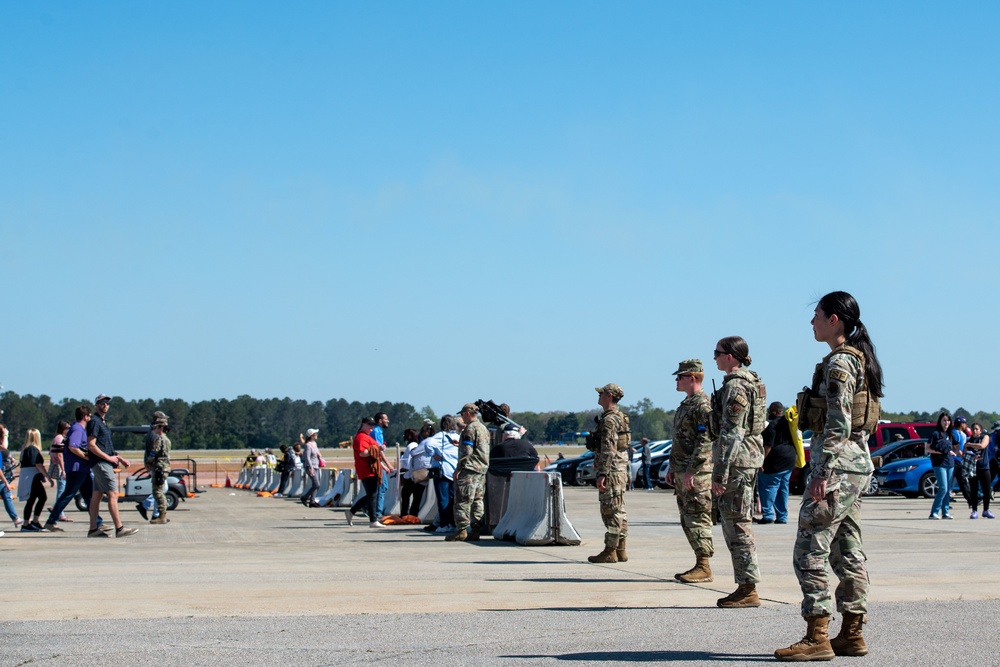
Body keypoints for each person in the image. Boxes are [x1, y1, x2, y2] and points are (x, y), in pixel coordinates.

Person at [775, 291, 884, 661]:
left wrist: (821, 472)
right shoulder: (860, 359)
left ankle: (817, 635)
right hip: (854, 465)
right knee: (847, 548)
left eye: (817, 315)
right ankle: (852, 633)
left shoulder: (839, 363)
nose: (812, 322)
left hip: (835, 468)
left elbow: (837, 421)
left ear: (835, 319)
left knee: (809, 549)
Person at [710, 336, 766, 608]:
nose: (715, 358)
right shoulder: (752, 379)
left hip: (738, 461)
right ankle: (745, 585)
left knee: (737, 524)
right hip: (746, 459)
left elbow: (733, 432)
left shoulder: (736, 385)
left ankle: (748, 587)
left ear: (730, 356)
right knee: (737, 522)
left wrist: (720, 472)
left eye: (717, 353)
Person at [667, 359, 715, 583]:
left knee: (697, 517)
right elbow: (679, 440)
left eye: (680, 376)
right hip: (682, 470)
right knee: (687, 518)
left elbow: (705, 441)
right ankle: (699, 563)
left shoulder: (702, 406)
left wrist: (691, 471)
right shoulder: (686, 405)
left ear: (693, 378)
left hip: (696, 474)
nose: (676, 380)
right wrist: (672, 467)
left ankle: (704, 566)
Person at [587, 384, 631, 563]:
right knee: (619, 509)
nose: (599, 396)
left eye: (602, 393)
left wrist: (602, 473)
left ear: (609, 396)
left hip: (611, 470)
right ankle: (621, 549)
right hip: (619, 468)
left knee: (610, 510)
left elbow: (608, 448)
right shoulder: (620, 417)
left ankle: (610, 551)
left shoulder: (610, 420)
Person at [44, 406, 103, 532]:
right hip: (77, 469)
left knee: (89, 497)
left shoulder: (79, 429)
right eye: (90, 416)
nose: (91, 418)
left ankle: (98, 521)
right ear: (85, 416)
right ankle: (51, 520)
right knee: (68, 494)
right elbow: (73, 446)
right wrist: (87, 458)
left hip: (83, 469)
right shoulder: (77, 429)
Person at [86, 394, 138, 538]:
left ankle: (93, 529)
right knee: (113, 493)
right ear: (96, 405)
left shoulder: (103, 422)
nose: (105, 405)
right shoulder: (95, 422)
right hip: (100, 463)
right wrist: (108, 458)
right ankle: (119, 528)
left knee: (97, 494)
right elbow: (91, 445)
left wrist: (119, 457)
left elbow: (106, 446)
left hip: (104, 462)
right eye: (102, 403)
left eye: (107, 403)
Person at [446, 403, 492, 542]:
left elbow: (467, 451)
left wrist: (459, 468)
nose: (461, 418)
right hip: (481, 469)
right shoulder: (483, 428)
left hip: (470, 469)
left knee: (462, 500)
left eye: (461, 414)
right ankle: (476, 529)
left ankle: (461, 530)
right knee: (478, 501)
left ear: (467, 413)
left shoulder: (469, 429)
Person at [757, 401, 797, 525]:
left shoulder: (772, 425)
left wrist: (761, 461)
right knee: (783, 488)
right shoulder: (789, 423)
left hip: (775, 461)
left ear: (773, 411)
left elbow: (768, 446)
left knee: (769, 487)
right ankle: (782, 516)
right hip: (789, 459)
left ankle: (768, 515)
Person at [345, 417, 389, 528]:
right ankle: (373, 520)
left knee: (371, 495)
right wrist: (376, 449)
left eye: (373, 426)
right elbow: (362, 453)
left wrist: (383, 466)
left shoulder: (366, 436)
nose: (371, 428)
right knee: (372, 495)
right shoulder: (361, 437)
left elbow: (375, 454)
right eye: (369, 425)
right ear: (363, 424)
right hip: (367, 470)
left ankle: (352, 512)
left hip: (371, 469)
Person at [424, 415, 460, 534]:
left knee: (442, 498)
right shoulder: (457, 436)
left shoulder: (440, 436)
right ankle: (453, 523)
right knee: (452, 498)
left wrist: (433, 454)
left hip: (442, 469)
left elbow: (428, 443)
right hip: (454, 469)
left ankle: (444, 524)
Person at [18, 429, 54, 531]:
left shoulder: (26, 449)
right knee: (40, 498)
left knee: (33, 500)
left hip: (29, 477)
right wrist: (48, 477)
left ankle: (31, 522)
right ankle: (30, 523)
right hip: (33, 478)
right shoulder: (33, 449)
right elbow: (38, 465)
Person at [927, 412, 956, 520]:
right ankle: (934, 512)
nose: (946, 422)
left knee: (948, 490)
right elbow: (927, 448)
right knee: (943, 488)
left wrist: (953, 452)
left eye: (948, 420)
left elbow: (955, 446)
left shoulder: (950, 434)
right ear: (940, 421)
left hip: (950, 463)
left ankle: (945, 512)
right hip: (939, 464)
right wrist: (937, 452)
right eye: (944, 420)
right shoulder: (935, 434)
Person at [144, 412, 172, 525]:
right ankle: (162, 514)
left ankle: (162, 515)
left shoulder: (159, 440)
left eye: (156, 427)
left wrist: (148, 462)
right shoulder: (167, 440)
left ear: (160, 428)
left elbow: (153, 453)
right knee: (160, 491)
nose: (154, 429)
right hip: (164, 467)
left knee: (158, 492)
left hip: (159, 468)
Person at [965, 423, 993, 519]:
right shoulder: (969, 440)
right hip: (973, 468)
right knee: (974, 490)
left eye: (977, 429)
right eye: (973, 429)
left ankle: (986, 510)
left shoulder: (985, 437)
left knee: (987, 490)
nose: (974, 431)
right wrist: (971, 454)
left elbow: (982, 446)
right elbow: (965, 452)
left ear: (980, 430)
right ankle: (974, 511)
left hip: (984, 467)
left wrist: (970, 445)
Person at [0, 424, 24, 529]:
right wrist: (5, 434)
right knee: (7, 496)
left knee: (7, 496)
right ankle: (16, 519)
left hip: (4, 476)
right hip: (2, 477)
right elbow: (4, 447)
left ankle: (16, 519)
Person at [399, 428, 425, 517]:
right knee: (414, 496)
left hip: (411, 475)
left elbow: (407, 461)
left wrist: (404, 468)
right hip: (414, 473)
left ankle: (405, 514)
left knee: (406, 494)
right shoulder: (415, 445)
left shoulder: (411, 446)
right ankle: (411, 514)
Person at [49, 421, 70, 522]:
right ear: (63, 429)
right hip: (60, 467)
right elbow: (59, 455)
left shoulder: (57, 438)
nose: (69, 430)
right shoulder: (60, 438)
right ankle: (59, 513)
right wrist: (64, 469)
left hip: (58, 466)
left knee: (63, 490)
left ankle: (55, 508)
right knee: (62, 491)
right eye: (67, 428)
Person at [371, 413, 391, 518]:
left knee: (381, 487)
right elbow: (379, 451)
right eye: (386, 419)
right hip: (378, 463)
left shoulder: (378, 431)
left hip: (379, 463)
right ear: (380, 421)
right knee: (382, 487)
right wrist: (387, 465)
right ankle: (377, 513)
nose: (388, 421)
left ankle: (374, 510)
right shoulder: (376, 431)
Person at [952, 416, 973, 508]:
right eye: (965, 423)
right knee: (961, 481)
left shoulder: (963, 435)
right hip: (954, 460)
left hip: (958, 461)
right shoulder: (955, 433)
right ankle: (970, 500)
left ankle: (970, 499)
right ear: (961, 424)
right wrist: (963, 455)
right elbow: (955, 447)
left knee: (962, 481)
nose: (966, 425)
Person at [299, 428, 321, 507]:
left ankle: (312, 501)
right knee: (316, 484)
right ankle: (304, 497)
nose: (317, 435)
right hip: (310, 467)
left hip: (316, 465)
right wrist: (311, 468)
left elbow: (317, 452)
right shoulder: (308, 445)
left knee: (316, 484)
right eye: (315, 434)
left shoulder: (314, 444)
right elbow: (307, 457)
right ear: (312, 436)